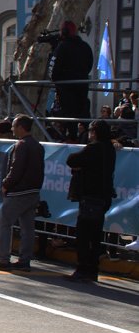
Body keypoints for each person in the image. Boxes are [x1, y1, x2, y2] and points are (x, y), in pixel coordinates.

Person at [0, 115, 43, 271]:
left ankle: (3, 258)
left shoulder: (21, 145)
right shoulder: (37, 145)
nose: (12, 129)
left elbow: (15, 169)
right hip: (33, 192)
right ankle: (25, 260)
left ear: (20, 127)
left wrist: (6, 184)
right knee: (28, 228)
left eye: (14, 126)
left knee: (4, 223)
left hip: (18, 192)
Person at [65, 119, 116, 282]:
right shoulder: (109, 148)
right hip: (103, 196)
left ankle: (83, 269)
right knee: (95, 236)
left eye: (92, 131)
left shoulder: (94, 148)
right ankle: (92, 269)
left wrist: (81, 167)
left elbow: (72, 160)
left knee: (84, 235)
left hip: (90, 196)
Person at [50, 21, 94, 141]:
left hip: (66, 88)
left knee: (69, 114)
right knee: (82, 112)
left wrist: (56, 79)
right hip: (82, 85)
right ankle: (88, 135)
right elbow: (89, 65)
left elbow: (53, 68)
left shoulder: (62, 47)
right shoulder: (85, 46)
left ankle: (72, 137)